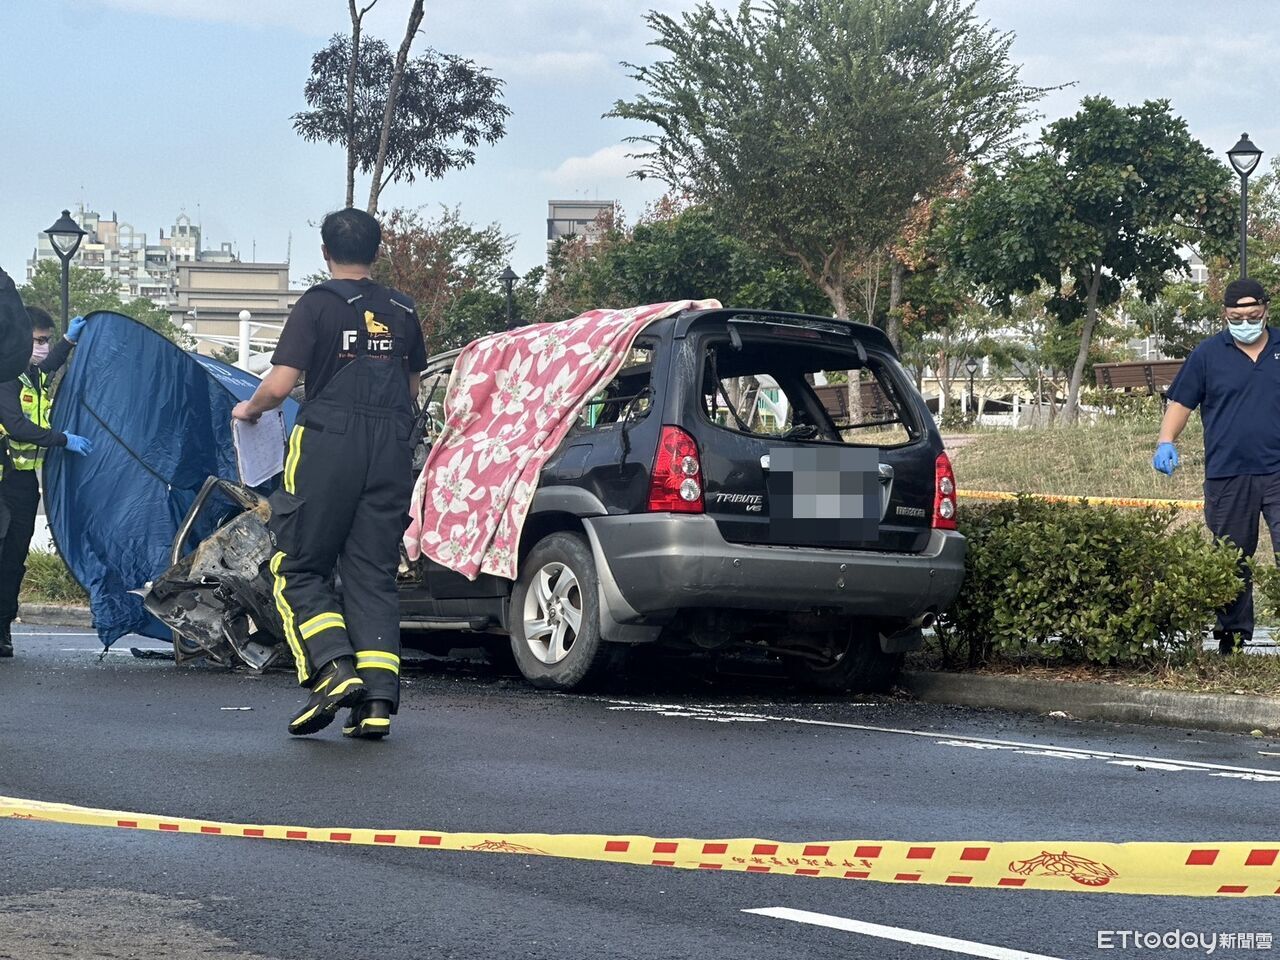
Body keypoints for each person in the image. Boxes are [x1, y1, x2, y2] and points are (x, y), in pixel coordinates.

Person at [232, 208, 426, 738]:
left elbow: (279, 386)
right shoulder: (403, 309)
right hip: (392, 447)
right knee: (372, 572)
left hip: (328, 444)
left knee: (297, 565)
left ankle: (334, 668)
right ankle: (377, 702)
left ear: (325, 252)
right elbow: (411, 388)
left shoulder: (316, 304)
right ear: (377, 251)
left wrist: (250, 409)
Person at [1154, 277, 1280, 655]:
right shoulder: (1208, 354)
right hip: (1228, 473)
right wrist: (1165, 441)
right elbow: (1181, 402)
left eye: (1253, 315)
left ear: (1266, 311)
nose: (1245, 323)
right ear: (1225, 315)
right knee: (1231, 558)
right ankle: (1232, 636)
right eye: (1236, 318)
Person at [0, 307, 93, 658]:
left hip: (22, 484)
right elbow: (15, 425)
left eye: (46, 340)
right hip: (2, 482)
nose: (43, 347)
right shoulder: (5, 377)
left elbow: (49, 364)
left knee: (13, 562)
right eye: (38, 340)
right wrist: (62, 439)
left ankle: (2, 630)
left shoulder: (31, 375)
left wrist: (68, 341)